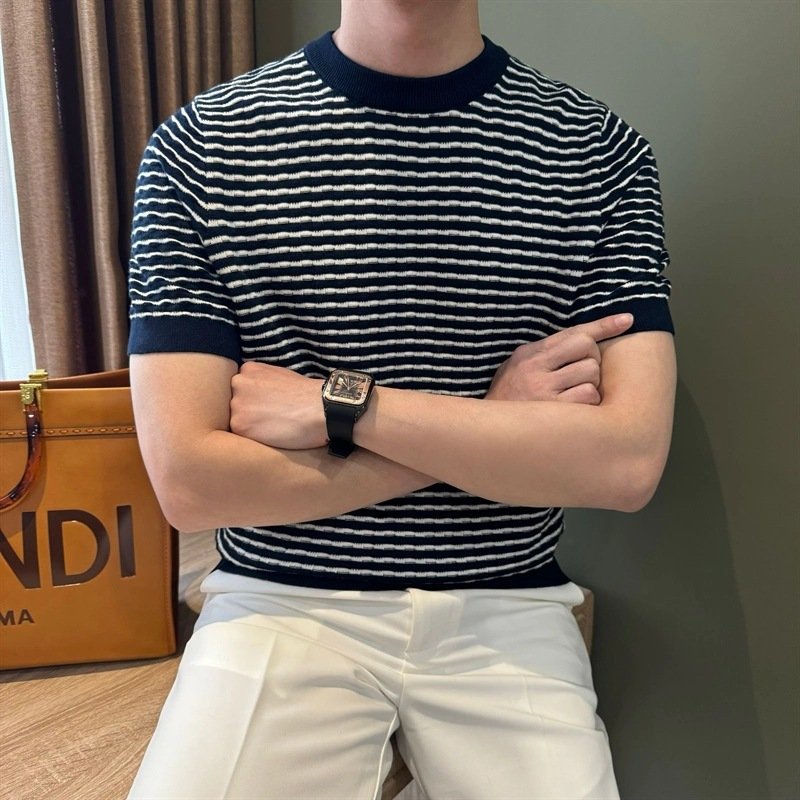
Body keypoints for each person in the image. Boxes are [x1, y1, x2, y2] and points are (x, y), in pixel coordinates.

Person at [125, 0, 676, 797]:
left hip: (507, 601)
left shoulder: (600, 154)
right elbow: (191, 484)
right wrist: (496, 425)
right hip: (280, 601)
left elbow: (625, 466)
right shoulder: (202, 146)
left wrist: (343, 405)